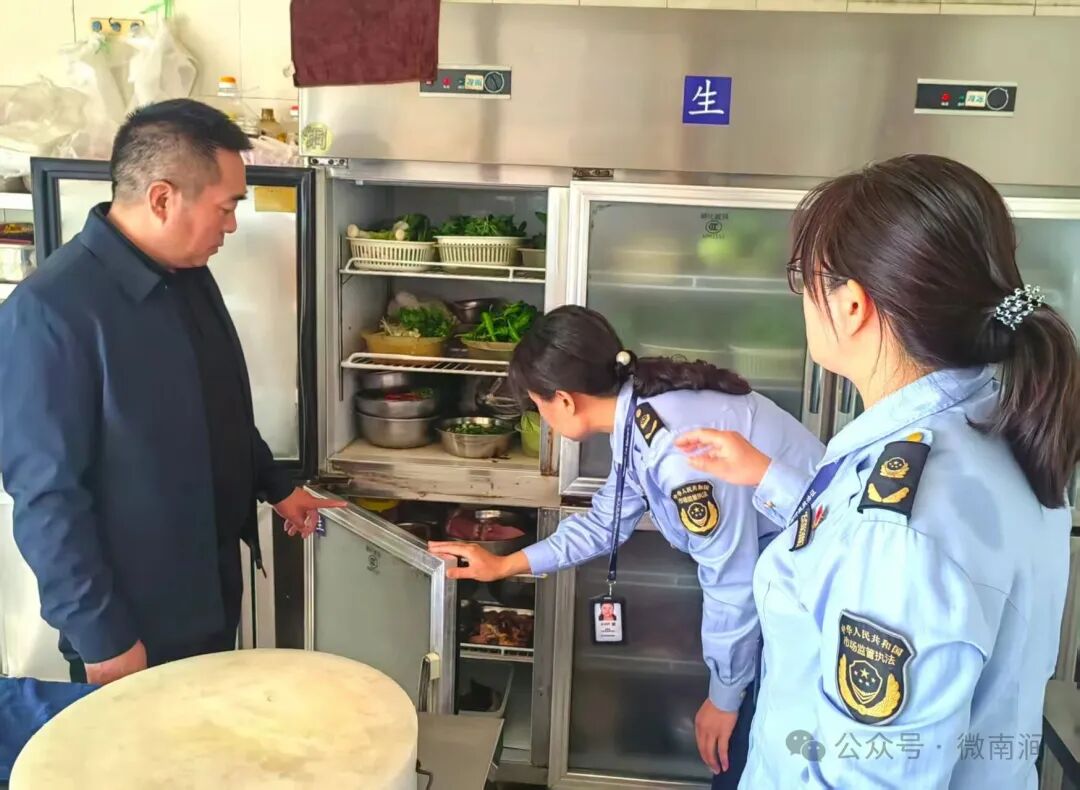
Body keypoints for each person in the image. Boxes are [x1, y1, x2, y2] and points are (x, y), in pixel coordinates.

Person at [677, 154, 1080, 788]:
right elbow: (855, 553)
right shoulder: (992, 424)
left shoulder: (901, 529)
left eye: (803, 279)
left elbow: (871, 776)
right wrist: (769, 478)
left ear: (852, 304)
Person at [0, 99, 343, 687]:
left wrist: (276, 484)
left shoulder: (187, 275)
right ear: (162, 198)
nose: (231, 225)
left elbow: (219, 408)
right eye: (226, 207)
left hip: (208, 588)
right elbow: (47, 497)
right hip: (133, 622)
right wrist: (103, 636)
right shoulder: (50, 312)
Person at [430, 305, 824, 786]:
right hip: (781, 581)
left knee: (754, 758)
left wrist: (723, 699)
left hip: (810, 593)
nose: (543, 420)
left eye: (538, 407)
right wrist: (505, 564)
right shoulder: (640, 412)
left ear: (564, 401)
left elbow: (731, 581)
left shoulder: (678, 454)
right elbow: (605, 522)